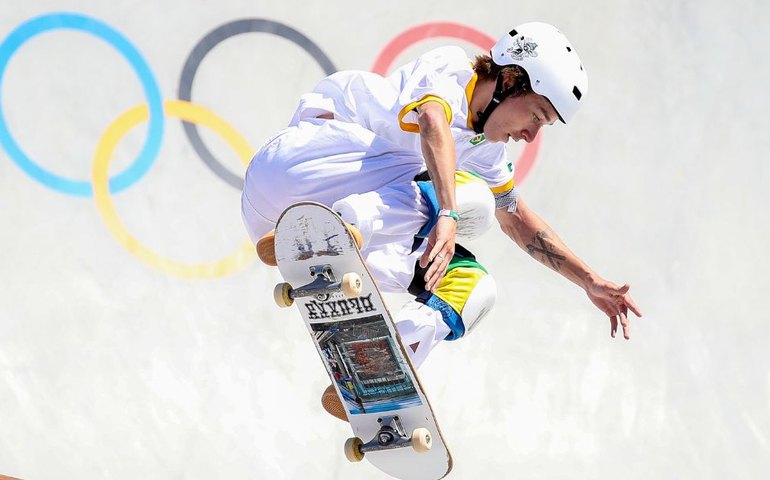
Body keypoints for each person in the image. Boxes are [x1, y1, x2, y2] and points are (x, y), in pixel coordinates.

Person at [241, 22, 642, 421]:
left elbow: (517, 220)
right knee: (471, 200)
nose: (530, 135)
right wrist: (447, 214)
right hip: (299, 166)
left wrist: (588, 279)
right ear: (510, 79)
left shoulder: (486, 152)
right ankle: (346, 223)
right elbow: (433, 122)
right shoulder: (451, 70)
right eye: (537, 115)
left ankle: (369, 370)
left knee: (475, 287)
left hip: (280, 229)